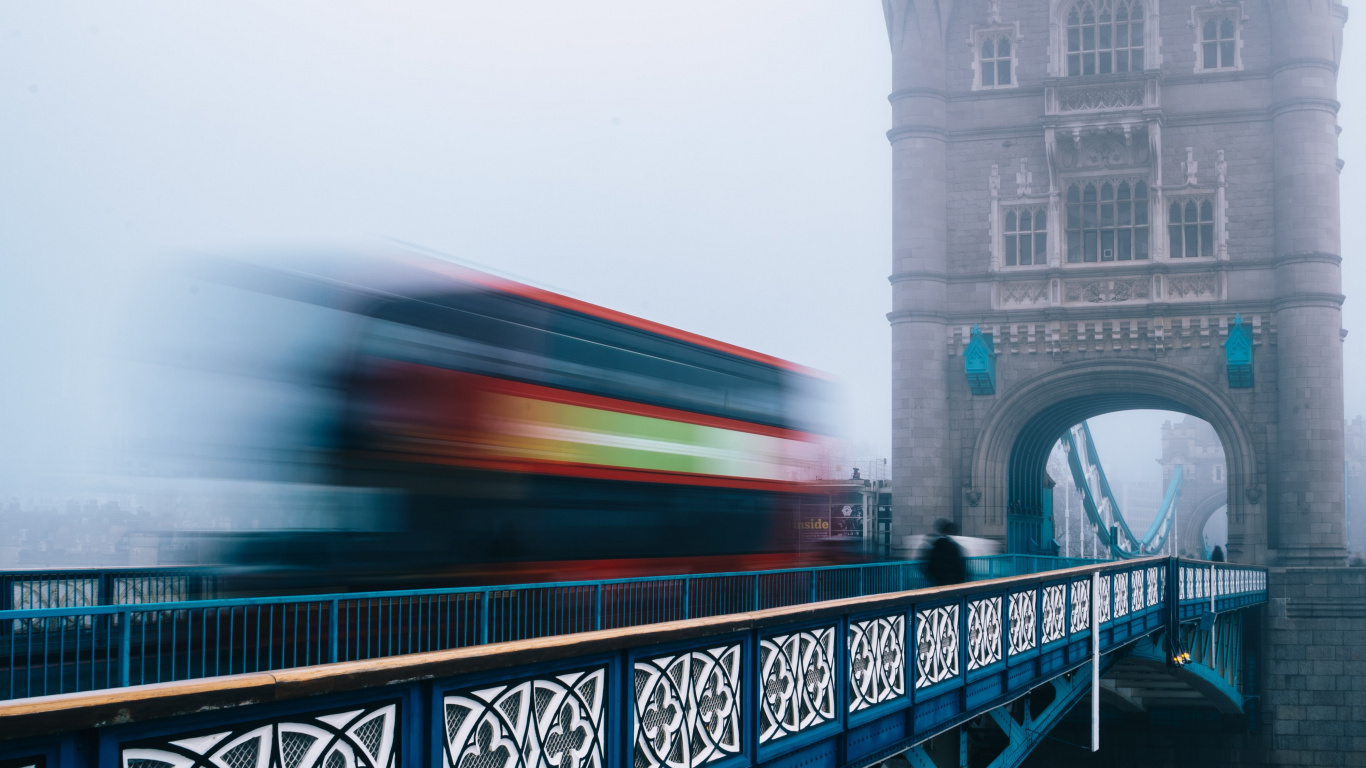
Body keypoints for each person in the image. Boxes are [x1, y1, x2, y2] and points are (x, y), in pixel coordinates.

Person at [926, 518, 967, 586]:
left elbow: (931, 567)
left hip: (941, 582)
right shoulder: (954, 546)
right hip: (954, 582)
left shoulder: (936, 546)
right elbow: (959, 567)